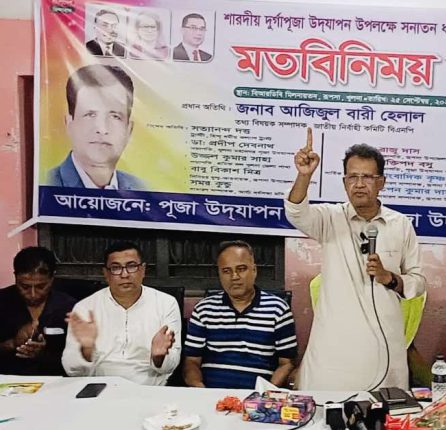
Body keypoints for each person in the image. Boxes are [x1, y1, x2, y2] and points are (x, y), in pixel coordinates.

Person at [285, 128, 426, 390]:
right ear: (344, 182)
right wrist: (304, 176)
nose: (359, 184)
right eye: (352, 177)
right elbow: (295, 212)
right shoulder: (330, 218)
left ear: (381, 182)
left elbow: (418, 283)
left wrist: (389, 278)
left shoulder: (400, 225)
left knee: (383, 409)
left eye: (367, 177)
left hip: (383, 348)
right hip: (334, 351)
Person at [62, 241, 181, 385]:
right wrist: (86, 350)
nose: (125, 274)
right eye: (116, 268)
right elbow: (72, 371)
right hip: (99, 386)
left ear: (143, 270)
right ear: (106, 274)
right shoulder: (85, 308)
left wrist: (158, 357)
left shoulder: (166, 303)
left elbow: (171, 365)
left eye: (131, 266)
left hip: (149, 388)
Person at [183, 241, 297, 389]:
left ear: (254, 270)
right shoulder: (203, 309)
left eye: (241, 269)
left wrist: (265, 393)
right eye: (226, 271)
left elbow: (287, 363)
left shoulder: (278, 309)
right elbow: (191, 361)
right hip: (211, 394)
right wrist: (200, 388)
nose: (234, 276)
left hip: (258, 396)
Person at [47, 64, 145, 190]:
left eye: (115, 116)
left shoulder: (143, 189)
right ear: (69, 124)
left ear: (129, 130)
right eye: (90, 115)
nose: (102, 129)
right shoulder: (46, 184)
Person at [0, 247, 76, 376]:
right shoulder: (2, 301)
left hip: (55, 380)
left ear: (52, 278)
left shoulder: (70, 307)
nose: (33, 294)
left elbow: (79, 360)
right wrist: (12, 344)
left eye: (41, 286)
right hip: (8, 379)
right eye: (24, 286)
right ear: (15, 276)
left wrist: (43, 354)